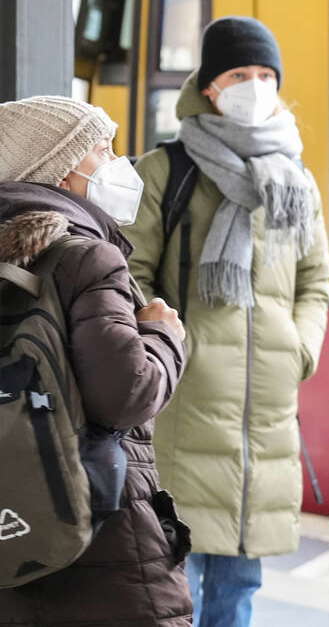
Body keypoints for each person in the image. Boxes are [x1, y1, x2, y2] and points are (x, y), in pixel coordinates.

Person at [123, 16, 329, 627]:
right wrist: (166, 345)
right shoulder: (165, 171)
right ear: (209, 86)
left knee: (239, 589)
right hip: (182, 405)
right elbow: (130, 273)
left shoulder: (295, 180)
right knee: (173, 582)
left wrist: (299, 349)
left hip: (265, 413)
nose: (255, 86)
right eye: (240, 74)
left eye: (266, 74)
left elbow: (316, 282)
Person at [0, 96, 191, 625]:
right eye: (102, 150)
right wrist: (164, 334)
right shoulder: (85, 257)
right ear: (60, 170)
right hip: (96, 537)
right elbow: (126, 394)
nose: (117, 163)